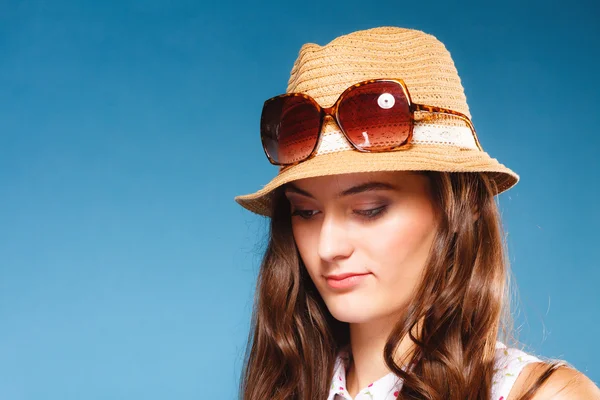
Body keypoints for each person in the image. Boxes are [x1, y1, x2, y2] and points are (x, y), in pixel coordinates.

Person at [233, 26, 600, 400]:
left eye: (369, 210)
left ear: (461, 207)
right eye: (306, 212)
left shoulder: (543, 395)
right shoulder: (284, 387)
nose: (328, 247)